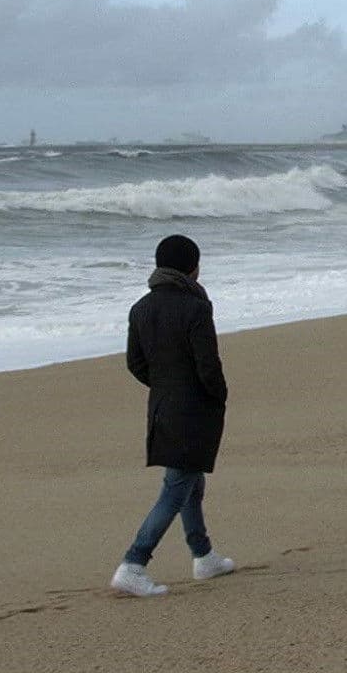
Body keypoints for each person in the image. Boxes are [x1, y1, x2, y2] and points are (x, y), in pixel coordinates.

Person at [111, 234, 236, 596]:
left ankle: (203, 554)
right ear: (193, 268)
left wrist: (165, 384)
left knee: (189, 482)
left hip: (162, 406)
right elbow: (208, 365)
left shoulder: (140, 307)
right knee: (177, 487)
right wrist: (218, 395)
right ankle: (134, 562)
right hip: (193, 407)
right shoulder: (196, 307)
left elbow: (135, 363)